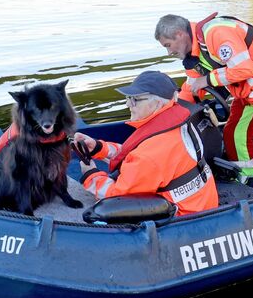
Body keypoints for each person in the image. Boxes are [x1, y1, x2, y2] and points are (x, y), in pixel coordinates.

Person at [155, 13, 253, 195]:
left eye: (168, 45)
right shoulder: (193, 53)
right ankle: (247, 177)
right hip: (249, 90)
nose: (169, 52)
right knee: (234, 132)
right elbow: (191, 86)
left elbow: (244, 69)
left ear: (179, 34)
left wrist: (208, 79)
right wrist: (173, 113)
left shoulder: (216, 33)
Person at [75, 70, 218, 216]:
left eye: (134, 100)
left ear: (156, 103)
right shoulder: (180, 123)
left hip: (184, 217)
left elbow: (117, 196)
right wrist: (100, 148)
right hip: (203, 202)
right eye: (128, 98)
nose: (128, 104)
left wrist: (91, 175)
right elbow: (134, 155)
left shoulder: (149, 155)